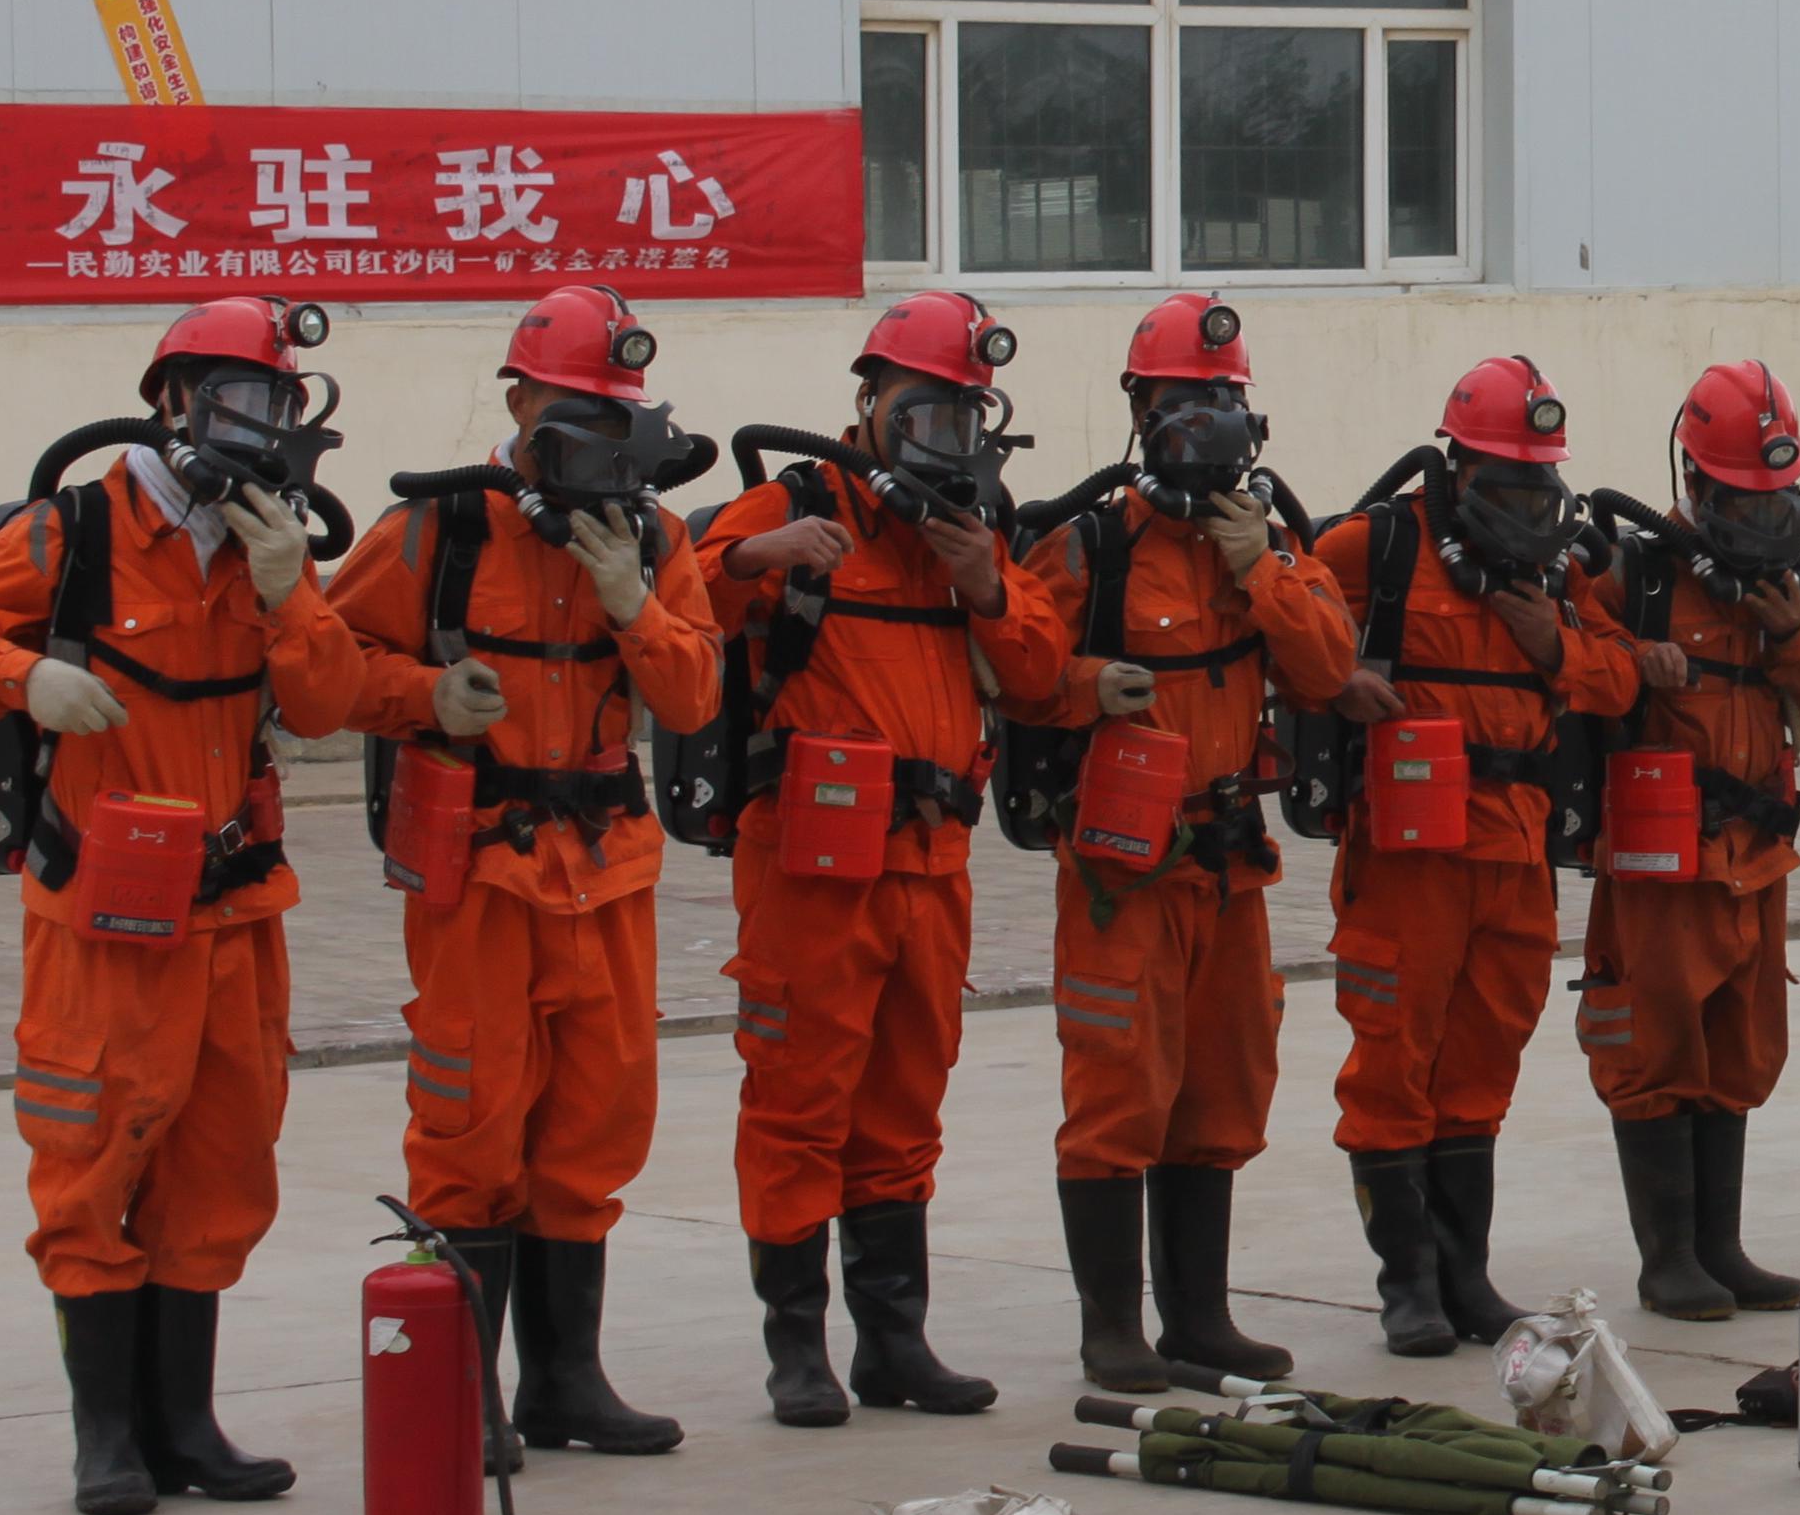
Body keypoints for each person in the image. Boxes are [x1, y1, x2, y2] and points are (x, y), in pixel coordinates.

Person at [0, 296, 367, 1515]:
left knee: (221, 1160)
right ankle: (105, 1438)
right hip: (105, 916)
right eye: (242, 398)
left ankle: (186, 1428)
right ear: (172, 400)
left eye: (280, 402)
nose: (262, 423)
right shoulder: (73, 532)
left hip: (233, 910)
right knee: (93, 1156)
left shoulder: (266, 542)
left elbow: (325, 707)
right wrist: (26, 676)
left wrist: (293, 591)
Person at [324, 285, 721, 1462]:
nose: (593, 442)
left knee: (596, 1118)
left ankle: (564, 1382)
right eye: (570, 416)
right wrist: (424, 696)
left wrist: (631, 603)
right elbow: (323, 666)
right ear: (519, 405)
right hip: (481, 877)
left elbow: (693, 697)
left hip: (607, 872)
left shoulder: (654, 539)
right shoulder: (436, 531)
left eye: (612, 419)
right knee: (471, 1122)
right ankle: (462, 1393)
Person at [695, 291, 1072, 1425]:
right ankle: (797, 1349)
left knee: (906, 1104)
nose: (942, 439)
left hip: (930, 865)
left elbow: (1042, 675)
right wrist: (756, 553)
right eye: (923, 413)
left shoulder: (973, 536)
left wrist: (986, 585)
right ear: (869, 405)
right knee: (798, 1099)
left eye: (963, 418)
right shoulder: (795, 502)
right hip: (812, 868)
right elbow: (675, 604)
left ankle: (893, 1344)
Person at [1012, 295, 1361, 1393]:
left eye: (1222, 404)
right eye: (1182, 403)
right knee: (1118, 1087)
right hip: (1125, 873)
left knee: (1221, 1089)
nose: (1203, 426)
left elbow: (1327, 669)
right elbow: (1016, 674)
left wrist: (1263, 568)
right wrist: (1085, 686)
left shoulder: (1272, 548)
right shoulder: (1091, 546)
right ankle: (1112, 1327)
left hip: (1228, 867)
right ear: (1140, 410)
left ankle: (1199, 1319)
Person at [1314, 356, 1630, 1352]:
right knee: (1392, 1061)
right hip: (1407, 856)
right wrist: (1336, 677)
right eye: (1509, 482)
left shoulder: (1558, 569)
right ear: (1457, 466)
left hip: (1515, 849)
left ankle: (1466, 1279)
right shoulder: (1378, 546)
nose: (1529, 502)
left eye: (1541, 482)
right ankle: (1407, 1286)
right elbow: (1287, 620)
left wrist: (1554, 647)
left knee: (1483, 1061)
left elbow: (1618, 679)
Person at [1577, 361, 1800, 1321]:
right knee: (1654, 1046)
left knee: (1739, 1048)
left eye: (1777, 499)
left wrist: (1794, 636)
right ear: (1696, 486)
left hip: (1756, 857)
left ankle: (1720, 1248)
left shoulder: (1787, 588)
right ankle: (1668, 1259)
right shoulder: (1635, 577)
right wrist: (1635, 660)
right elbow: (1570, 667)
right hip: (1663, 862)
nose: (1762, 517)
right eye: (1743, 499)